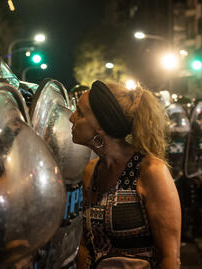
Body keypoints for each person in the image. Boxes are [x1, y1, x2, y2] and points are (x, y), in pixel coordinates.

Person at [70, 80, 181, 269]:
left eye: (79, 112)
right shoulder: (91, 171)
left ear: (101, 127)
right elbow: (85, 244)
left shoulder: (151, 171)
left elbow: (170, 257)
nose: (71, 118)